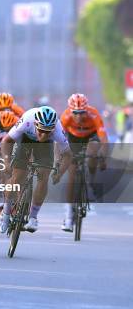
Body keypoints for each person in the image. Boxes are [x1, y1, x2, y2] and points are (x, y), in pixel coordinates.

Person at [0, 106, 72, 233]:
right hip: (25, 140)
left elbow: (68, 155)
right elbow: (7, 141)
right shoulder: (27, 120)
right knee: (17, 178)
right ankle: (5, 212)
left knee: (43, 175)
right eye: (41, 130)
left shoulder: (58, 131)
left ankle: (33, 217)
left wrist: (59, 174)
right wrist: (6, 162)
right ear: (35, 124)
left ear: (53, 129)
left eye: (48, 132)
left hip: (45, 147)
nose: (43, 135)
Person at [58, 93, 107, 230]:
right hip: (73, 139)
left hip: (91, 137)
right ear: (71, 111)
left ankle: (90, 182)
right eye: (76, 113)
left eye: (82, 113)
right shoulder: (65, 116)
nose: (79, 116)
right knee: (72, 177)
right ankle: (68, 217)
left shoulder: (94, 115)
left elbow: (103, 138)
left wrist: (103, 156)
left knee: (92, 153)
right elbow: (59, 139)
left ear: (87, 110)